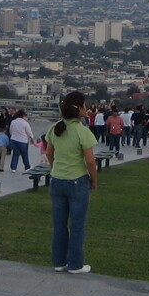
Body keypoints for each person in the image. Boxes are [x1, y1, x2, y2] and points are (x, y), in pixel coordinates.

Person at [46, 90, 98, 274]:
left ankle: (59, 262)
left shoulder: (55, 128)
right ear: (79, 109)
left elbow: (49, 153)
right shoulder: (82, 131)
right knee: (77, 225)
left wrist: (56, 168)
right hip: (77, 182)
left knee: (59, 225)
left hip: (57, 180)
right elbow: (90, 162)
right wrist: (94, 180)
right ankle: (75, 264)